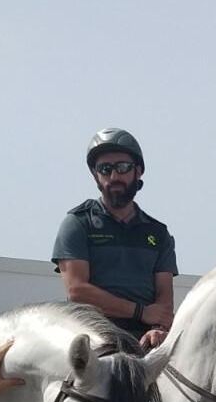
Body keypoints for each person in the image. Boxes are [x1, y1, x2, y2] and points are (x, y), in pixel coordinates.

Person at [52, 128, 177, 349]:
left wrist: (158, 328)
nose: (114, 176)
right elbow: (78, 291)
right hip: (92, 338)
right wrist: (141, 312)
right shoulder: (78, 223)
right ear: (95, 176)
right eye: (105, 169)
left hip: (146, 341)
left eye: (122, 167)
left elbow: (164, 299)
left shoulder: (158, 233)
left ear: (138, 171)